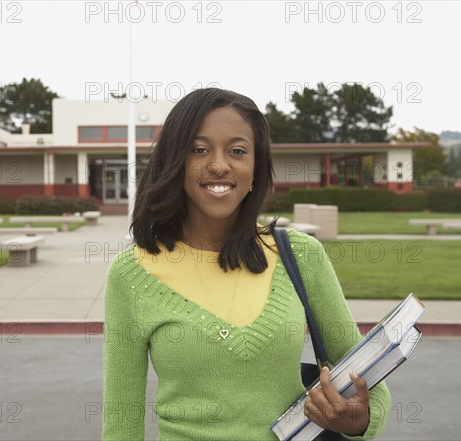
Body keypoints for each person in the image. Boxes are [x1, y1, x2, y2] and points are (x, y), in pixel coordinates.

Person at [102, 88, 391, 440]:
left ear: (256, 167)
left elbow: (369, 383)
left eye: (237, 151)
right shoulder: (132, 274)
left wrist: (357, 419)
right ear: (174, 162)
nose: (219, 164)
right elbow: (121, 422)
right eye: (199, 149)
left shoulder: (301, 256)